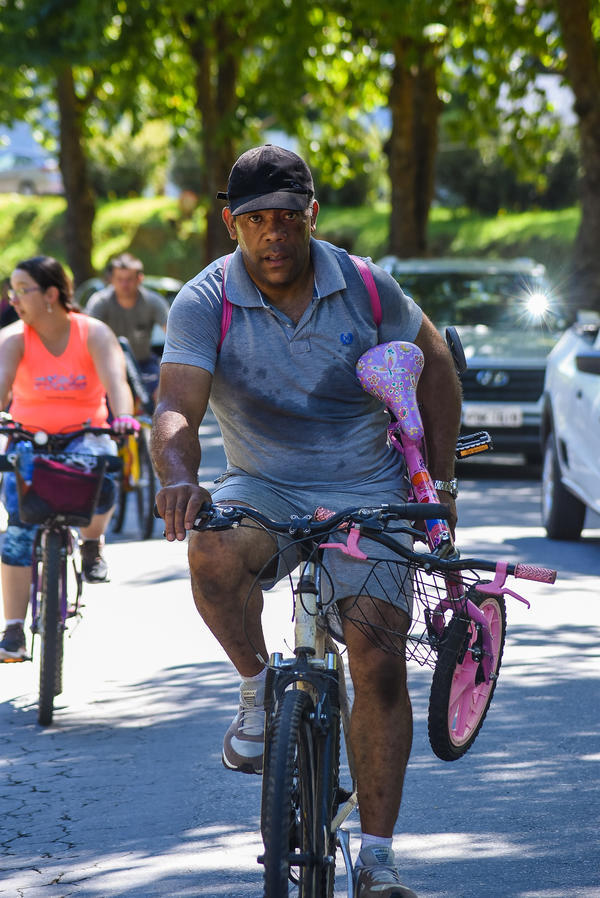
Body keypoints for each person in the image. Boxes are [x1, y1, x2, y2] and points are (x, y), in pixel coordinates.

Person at [151, 145, 461, 898]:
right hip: (263, 484)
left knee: (379, 664)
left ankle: (379, 862)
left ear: (311, 215)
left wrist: (441, 484)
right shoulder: (206, 299)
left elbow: (439, 371)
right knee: (212, 554)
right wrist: (181, 479)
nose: (274, 235)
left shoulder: (363, 284)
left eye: (288, 217)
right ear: (232, 223)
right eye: (256, 220)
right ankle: (259, 689)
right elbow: (173, 409)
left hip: (370, 486)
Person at [0, 256, 137, 661]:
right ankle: (12, 631)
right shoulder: (14, 338)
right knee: (19, 531)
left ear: (51, 294)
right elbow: (2, 386)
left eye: (22, 289)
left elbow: (117, 382)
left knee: (103, 475)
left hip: (85, 435)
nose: (14, 298)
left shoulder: (92, 332)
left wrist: (124, 417)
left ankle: (92, 543)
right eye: (12, 290)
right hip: (28, 438)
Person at [85, 253, 170, 403]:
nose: (124, 285)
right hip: (108, 364)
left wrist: (166, 376)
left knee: (165, 395)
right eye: (119, 279)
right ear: (111, 279)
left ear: (140, 279)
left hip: (143, 363)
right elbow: (86, 336)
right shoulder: (100, 302)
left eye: (129, 279)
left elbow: (173, 335)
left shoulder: (153, 301)